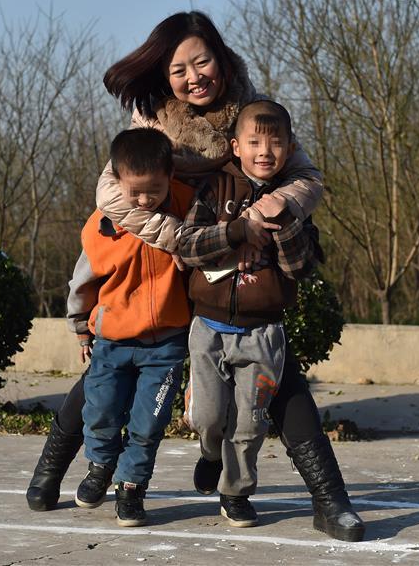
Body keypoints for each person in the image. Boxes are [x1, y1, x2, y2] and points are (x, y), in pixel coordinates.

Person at [25, 11, 364, 543]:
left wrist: (270, 210)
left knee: (282, 380)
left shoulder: (254, 118)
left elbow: (307, 177)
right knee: (109, 373)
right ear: (165, 78)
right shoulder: (153, 123)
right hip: (166, 262)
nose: (193, 76)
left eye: (200, 61)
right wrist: (183, 236)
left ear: (221, 59)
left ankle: (331, 501)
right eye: (178, 69)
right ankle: (49, 474)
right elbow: (111, 195)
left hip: (243, 272)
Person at [178, 99, 323, 527]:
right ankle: (208, 453)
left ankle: (235, 491)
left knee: (251, 423)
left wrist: (283, 224)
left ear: (290, 147)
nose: (264, 151)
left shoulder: (293, 202)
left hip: (262, 335)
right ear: (235, 146)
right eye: (254, 142)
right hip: (208, 329)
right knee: (207, 417)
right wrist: (238, 231)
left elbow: (301, 268)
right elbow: (187, 246)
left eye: (275, 143)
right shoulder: (215, 189)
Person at [64, 128, 193, 527]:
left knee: (147, 423)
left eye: (153, 189)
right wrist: (81, 325)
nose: (143, 200)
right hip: (113, 341)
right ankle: (100, 467)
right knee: (100, 412)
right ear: (116, 181)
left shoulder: (189, 211)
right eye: (134, 190)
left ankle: (132, 487)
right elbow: (83, 279)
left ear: (170, 175)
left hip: (167, 345)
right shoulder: (103, 224)